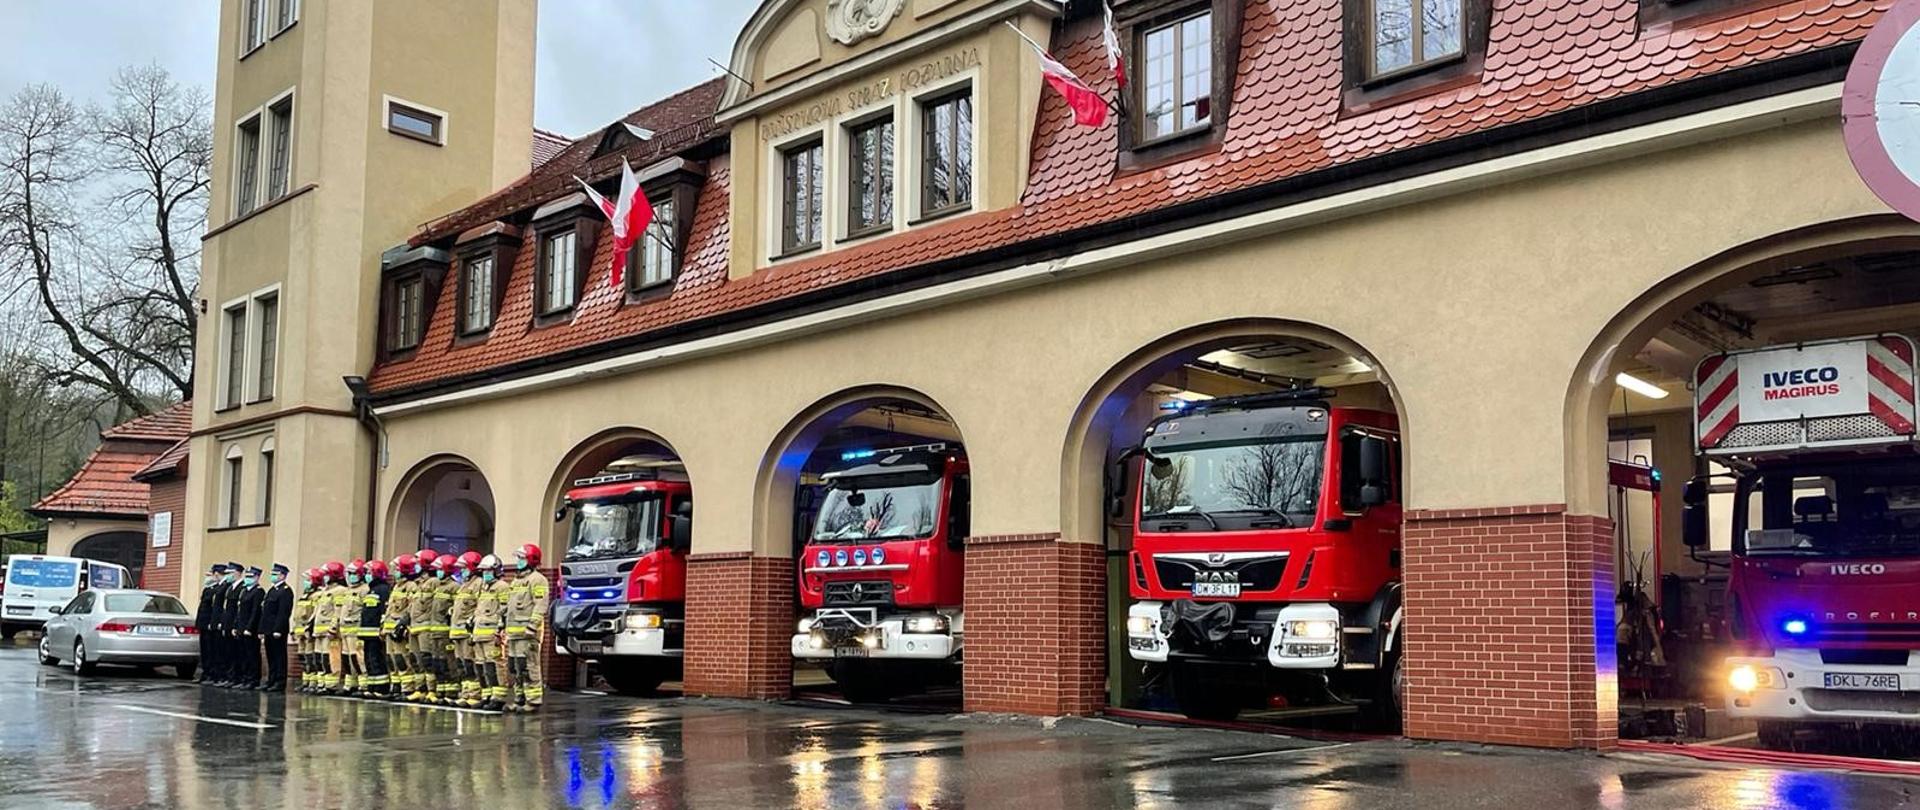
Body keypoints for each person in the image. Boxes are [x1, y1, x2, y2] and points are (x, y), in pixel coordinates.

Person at [503, 544, 551, 712]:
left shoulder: (538, 579)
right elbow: (509, 607)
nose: (519, 561)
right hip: (514, 634)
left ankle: (533, 701)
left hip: (527, 634)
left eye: (522, 558)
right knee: (515, 668)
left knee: (529, 667)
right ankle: (519, 699)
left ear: (531, 560)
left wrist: (532, 626)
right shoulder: (516, 581)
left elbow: (540, 605)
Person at [471, 554, 509, 711]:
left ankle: (498, 697)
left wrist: (500, 629)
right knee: (482, 667)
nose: (485, 573)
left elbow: (505, 609)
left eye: (488, 570)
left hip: (492, 635)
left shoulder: (502, 587)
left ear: (496, 571)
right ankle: (487, 694)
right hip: (479, 633)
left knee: (495, 666)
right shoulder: (484, 588)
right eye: (483, 571)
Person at [449, 552, 484, 707]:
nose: (461, 571)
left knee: (470, 663)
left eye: (464, 568)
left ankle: (474, 694)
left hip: (466, 631)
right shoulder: (463, 585)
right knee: (461, 664)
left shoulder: (478, 584)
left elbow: (479, 606)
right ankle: (465, 693)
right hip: (456, 631)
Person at [424, 553, 459, 704]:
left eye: (440, 569)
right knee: (437, 661)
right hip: (434, 631)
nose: (438, 572)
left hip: (445, 631)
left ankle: (451, 692)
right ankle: (440, 689)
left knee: (448, 661)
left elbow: (455, 609)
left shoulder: (454, 587)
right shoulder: (438, 586)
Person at [358, 559, 393, 697]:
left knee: (377, 659)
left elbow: (384, 610)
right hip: (367, 632)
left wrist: (382, 628)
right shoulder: (371, 589)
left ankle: (381, 688)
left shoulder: (383, 589)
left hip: (375, 632)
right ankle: (372, 686)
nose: (366, 575)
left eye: (368, 572)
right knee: (369, 659)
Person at [386, 554, 417, 699]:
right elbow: (390, 609)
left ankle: (407, 688)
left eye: (398, 569)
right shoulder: (396, 586)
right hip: (389, 628)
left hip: (399, 629)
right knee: (391, 659)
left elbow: (411, 608)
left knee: (402, 658)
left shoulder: (411, 586)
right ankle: (395, 685)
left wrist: (403, 626)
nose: (395, 571)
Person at [259, 563, 294, 691]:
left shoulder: (286, 591)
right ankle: (271, 679)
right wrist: (262, 630)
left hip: (277, 630)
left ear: (283, 576)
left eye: (275, 574)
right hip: (268, 629)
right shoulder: (272, 590)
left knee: (279, 656)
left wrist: (278, 629)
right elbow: (265, 612)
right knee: (271, 656)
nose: (273, 576)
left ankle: (279, 681)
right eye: (272, 574)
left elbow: (283, 612)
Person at [316, 561, 347, 693]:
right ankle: (323, 683)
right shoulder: (325, 591)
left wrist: (333, 628)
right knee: (321, 658)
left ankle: (332, 684)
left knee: (332, 658)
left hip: (330, 631)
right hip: (319, 631)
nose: (324, 577)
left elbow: (337, 611)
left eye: (326, 575)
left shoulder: (340, 591)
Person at [339, 560, 369, 695]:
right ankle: (350, 684)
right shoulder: (347, 591)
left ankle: (363, 685)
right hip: (344, 629)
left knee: (358, 658)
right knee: (347, 658)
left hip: (355, 629)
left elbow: (365, 611)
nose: (351, 576)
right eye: (349, 574)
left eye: (354, 574)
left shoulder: (365, 590)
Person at [233, 566, 265, 689]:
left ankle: (253, 679)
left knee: (252, 655)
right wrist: (236, 626)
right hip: (241, 628)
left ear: (257, 577)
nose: (247, 579)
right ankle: (245, 678)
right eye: (247, 576)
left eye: (250, 577)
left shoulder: (258, 592)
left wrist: (249, 628)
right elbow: (240, 611)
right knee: (243, 655)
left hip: (250, 630)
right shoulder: (244, 591)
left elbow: (255, 612)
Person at [194, 565, 224, 684]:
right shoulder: (207, 589)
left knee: (212, 651)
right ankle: (205, 673)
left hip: (210, 625)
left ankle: (212, 674)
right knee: (205, 651)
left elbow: (215, 609)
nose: (207, 578)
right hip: (203, 624)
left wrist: (212, 623)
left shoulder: (217, 590)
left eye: (209, 575)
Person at [292, 568, 318, 692]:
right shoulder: (304, 596)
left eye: (308, 580)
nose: (305, 582)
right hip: (300, 632)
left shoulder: (316, 596)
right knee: (302, 656)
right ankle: (306, 681)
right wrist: (294, 629)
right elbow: (298, 614)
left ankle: (313, 682)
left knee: (310, 657)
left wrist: (310, 629)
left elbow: (313, 615)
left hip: (308, 633)